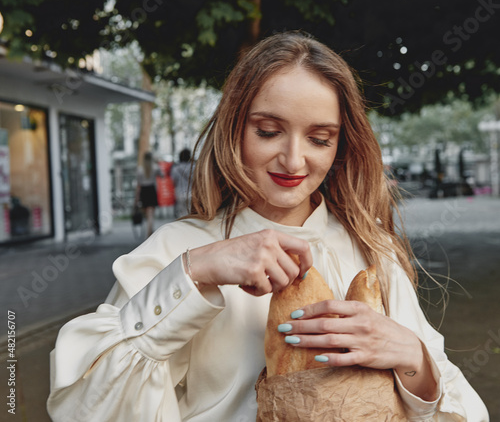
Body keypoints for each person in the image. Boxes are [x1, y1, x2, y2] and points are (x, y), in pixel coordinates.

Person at [47, 32, 489, 421]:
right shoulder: (177, 249)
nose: (294, 161)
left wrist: (414, 360)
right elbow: (87, 404)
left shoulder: (372, 248)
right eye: (268, 131)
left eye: (320, 139)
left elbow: (459, 406)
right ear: (234, 128)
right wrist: (194, 274)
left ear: (341, 143)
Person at [135, 151, 161, 237]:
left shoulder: (140, 169)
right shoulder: (155, 167)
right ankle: (149, 232)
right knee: (151, 214)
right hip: (151, 190)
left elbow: (138, 185)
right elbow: (163, 175)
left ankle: (149, 232)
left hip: (144, 191)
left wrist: (137, 198)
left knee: (147, 214)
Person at [170, 148, 192, 218]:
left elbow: (173, 181)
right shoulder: (194, 167)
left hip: (180, 193)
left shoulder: (175, 168)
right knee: (191, 213)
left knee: (181, 213)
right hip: (192, 193)